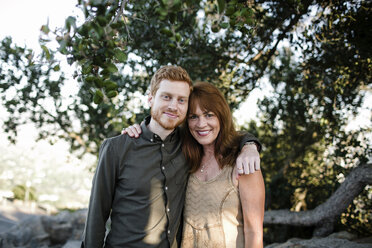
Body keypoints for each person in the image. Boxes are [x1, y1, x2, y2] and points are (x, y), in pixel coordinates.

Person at [82, 65, 261, 248]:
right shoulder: (117, 148)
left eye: (181, 100)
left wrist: (249, 145)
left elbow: (225, 134)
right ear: (150, 98)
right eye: (166, 97)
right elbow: (97, 215)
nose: (173, 106)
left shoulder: (188, 144)